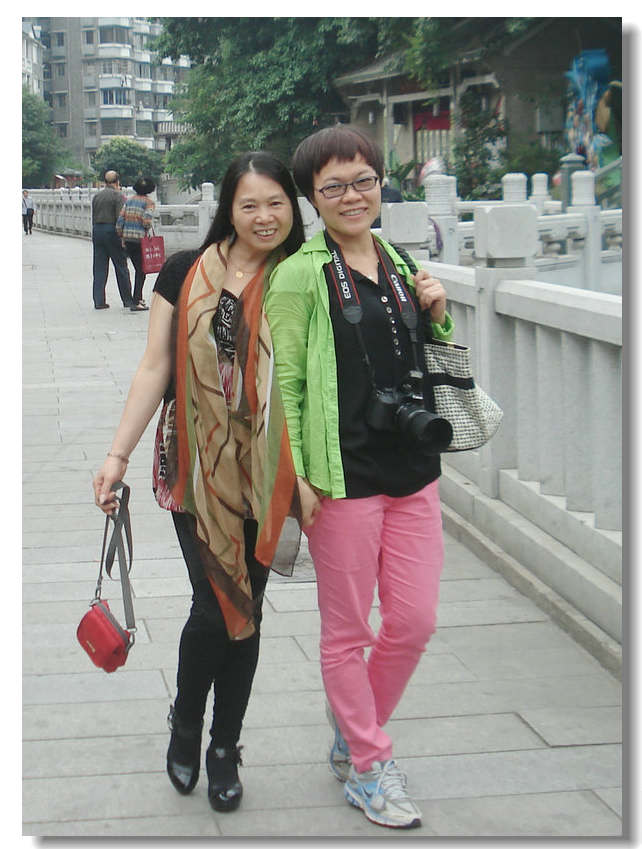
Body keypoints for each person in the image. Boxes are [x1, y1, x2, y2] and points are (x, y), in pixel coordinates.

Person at [93, 152, 304, 813]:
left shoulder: (302, 275)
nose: (264, 216)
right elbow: (155, 367)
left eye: (276, 202)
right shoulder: (184, 271)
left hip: (269, 471)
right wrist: (117, 454)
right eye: (250, 204)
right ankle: (188, 721)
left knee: (248, 608)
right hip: (194, 465)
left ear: (293, 207)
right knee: (216, 606)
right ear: (229, 209)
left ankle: (224, 744)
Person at [264, 125, 454, 830]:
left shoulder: (400, 260)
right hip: (340, 474)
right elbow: (284, 382)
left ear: (381, 183)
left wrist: (438, 313)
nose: (353, 196)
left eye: (365, 180)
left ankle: (353, 726)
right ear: (312, 198)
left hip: (413, 470)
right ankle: (370, 766)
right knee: (347, 630)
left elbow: (425, 355)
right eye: (335, 186)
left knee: (414, 621)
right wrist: (296, 476)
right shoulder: (298, 274)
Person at [91, 170, 134, 310]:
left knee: (99, 267)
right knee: (121, 267)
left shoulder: (97, 196)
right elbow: (120, 219)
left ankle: (99, 301)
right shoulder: (118, 196)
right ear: (117, 182)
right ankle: (127, 300)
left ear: (105, 182)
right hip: (112, 231)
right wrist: (123, 238)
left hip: (97, 230)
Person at [116, 176, 156, 311]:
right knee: (141, 271)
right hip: (140, 240)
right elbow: (146, 221)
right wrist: (146, 227)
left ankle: (137, 299)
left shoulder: (129, 201)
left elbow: (120, 221)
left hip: (128, 239)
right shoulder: (149, 203)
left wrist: (122, 236)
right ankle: (137, 300)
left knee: (138, 268)